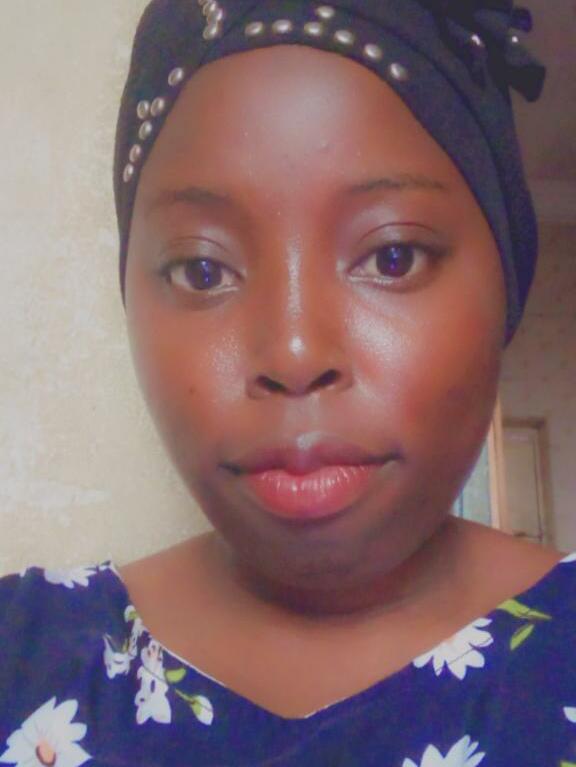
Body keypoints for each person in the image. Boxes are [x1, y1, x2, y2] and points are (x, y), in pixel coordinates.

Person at [0, 1, 574, 765]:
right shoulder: (21, 658)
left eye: (392, 256)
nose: (295, 352)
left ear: (505, 282)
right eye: (203, 269)